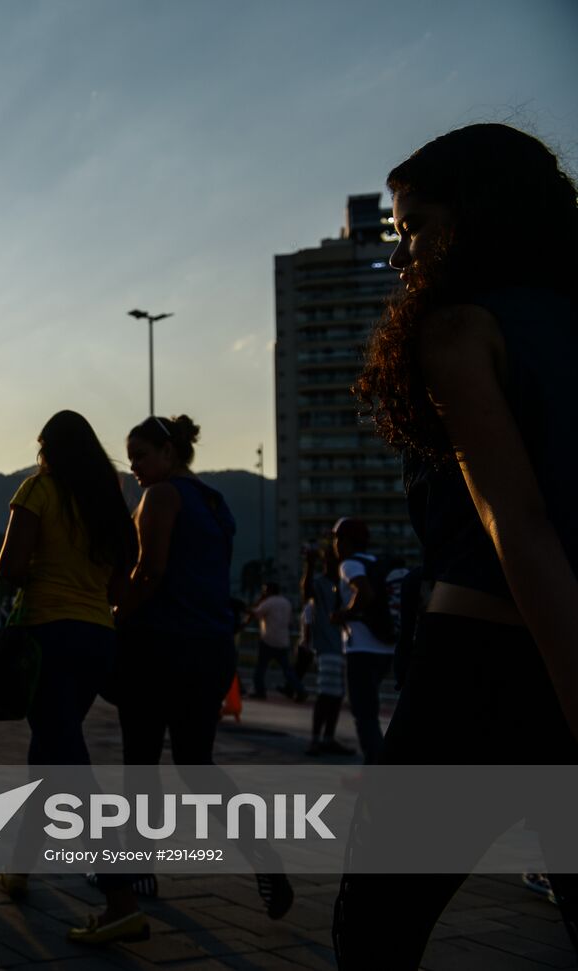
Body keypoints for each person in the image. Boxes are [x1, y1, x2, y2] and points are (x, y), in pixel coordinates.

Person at [336, 123, 578, 966]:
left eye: (412, 229)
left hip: (485, 667)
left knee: (375, 928)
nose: (402, 256)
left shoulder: (458, 329)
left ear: (472, 219)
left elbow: (519, 525)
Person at [115, 415, 293, 920]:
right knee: (196, 764)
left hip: (160, 645)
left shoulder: (163, 496)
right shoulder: (218, 504)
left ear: (168, 453)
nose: (137, 471)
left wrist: (117, 613)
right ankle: (263, 854)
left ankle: (138, 866)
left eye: (141, 457)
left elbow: (150, 569)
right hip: (213, 649)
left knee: (142, 760)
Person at [0, 410, 142, 943]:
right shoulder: (109, 504)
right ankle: (21, 867)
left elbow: (9, 568)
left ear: (48, 450)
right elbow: (122, 592)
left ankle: (122, 900)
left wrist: (45, 574)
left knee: (70, 770)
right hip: (97, 640)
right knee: (53, 751)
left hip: (48, 636)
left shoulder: (40, 491)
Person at [327, 517, 394, 764]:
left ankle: (378, 772)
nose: (334, 544)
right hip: (386, 646)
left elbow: (365, 593)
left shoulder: (349, 565)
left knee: (364, 714)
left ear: (345, 541)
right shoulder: (377, 563)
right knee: (372, 712)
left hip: (362, 649)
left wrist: (345, 613)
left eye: (336, 538)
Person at [301, 544, 353, 756]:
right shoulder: (320, 583)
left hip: (342, 647)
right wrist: (309, 565)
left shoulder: (342, 583)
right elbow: (306, 593)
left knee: (336, 695)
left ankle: (327, 738)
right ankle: (316, 739)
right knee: (325, 695)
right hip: (327, 647)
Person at [248, 582, 305, 701]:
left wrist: (257, 602)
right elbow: (290, 621)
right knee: (287, 670)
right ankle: (300, 690)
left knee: (260, 668)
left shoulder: (268, 602)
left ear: (268, 591)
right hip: (283, 640)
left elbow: (256, 613)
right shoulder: (286, 603)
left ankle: (260, 691)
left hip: (268, 639)